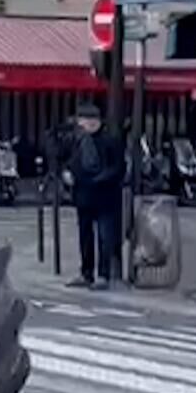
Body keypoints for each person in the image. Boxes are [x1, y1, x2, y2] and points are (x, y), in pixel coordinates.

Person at [68, 101, 126, 289]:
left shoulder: (110, 140)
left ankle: (103, 274)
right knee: (85, 236)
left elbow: (118, 167)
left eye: (94, 119)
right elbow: (69, 161)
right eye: (86, 119)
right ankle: (86, 273)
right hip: (84, 195)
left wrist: (99, 179)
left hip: (104, 195)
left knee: (104, 236)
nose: (90, 123)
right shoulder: (77, 141)